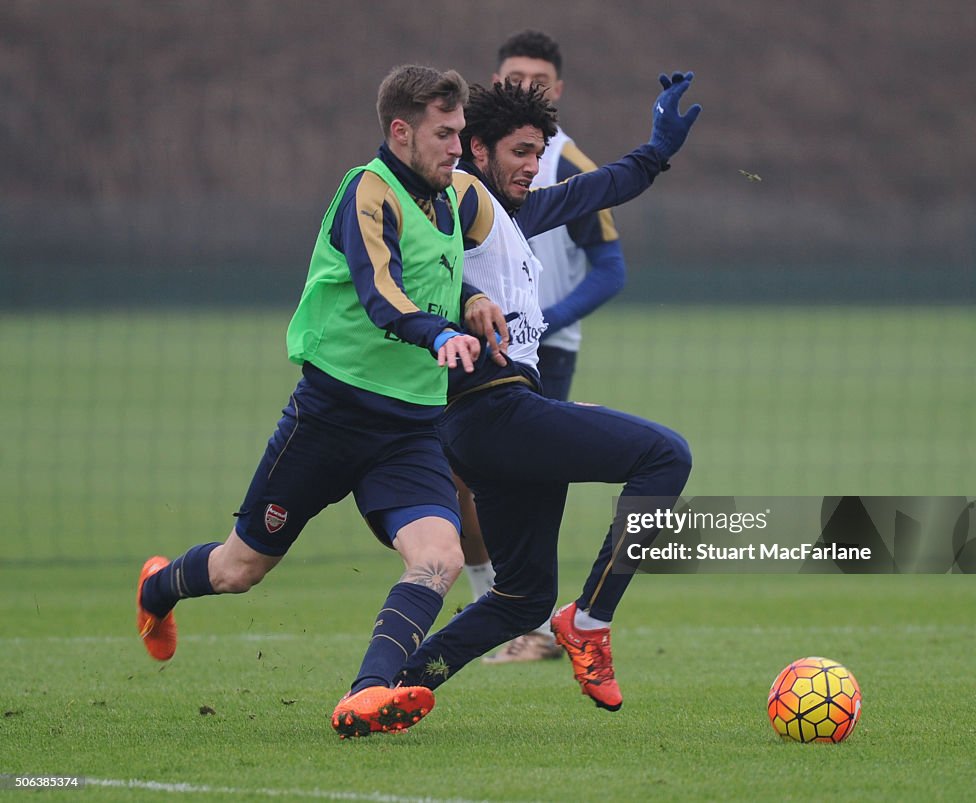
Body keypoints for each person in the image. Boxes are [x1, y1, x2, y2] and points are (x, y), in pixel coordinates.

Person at [133, 64, 509, 740]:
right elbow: (380, 291)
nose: (459, 146)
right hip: (330, 419)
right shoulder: (368, 192)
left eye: (461, 133)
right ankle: (158, 588)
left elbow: (504, 228)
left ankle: (368, 693)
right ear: (401, 131)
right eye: (445, 133)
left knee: (440, 556)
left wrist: (474, 297)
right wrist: (442, 330)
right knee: (239, 568)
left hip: (411, 429)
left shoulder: (459, 194)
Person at [393, 72, 701, 721]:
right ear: (476, 150)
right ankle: (589, 621)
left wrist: (655, 151)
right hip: (492, 409)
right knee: (666, 457)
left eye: (540, 152)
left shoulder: (517, 211)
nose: (534, 166)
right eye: (521, 152)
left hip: (494, 427)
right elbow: (413, 266)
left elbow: (597, 188)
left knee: (523, 598)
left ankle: (399, 683)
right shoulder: (453, 206)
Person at [464, 30, 634, 665]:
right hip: (474, 343)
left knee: (524, 483)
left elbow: (611, 269)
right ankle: (510, 612)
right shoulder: (467, 171)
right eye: (512, 79)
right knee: (463, 481)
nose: (524, 88)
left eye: (537, 81)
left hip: (542, 350)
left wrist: (541, 317)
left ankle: (529, 623)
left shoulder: (567, 167)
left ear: (557, 90)